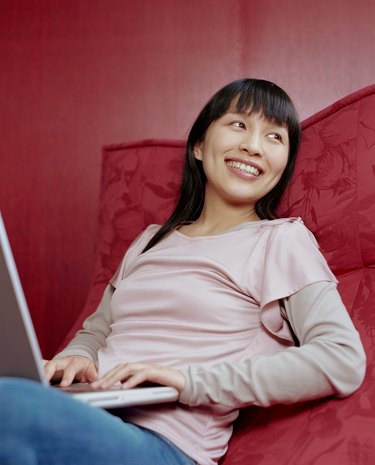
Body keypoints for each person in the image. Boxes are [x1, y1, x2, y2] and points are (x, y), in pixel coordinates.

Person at [0, 78, 366, 465]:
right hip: (87, 412)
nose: (253, 146)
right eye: (238, 124)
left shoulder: (280, 240)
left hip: (165, 444)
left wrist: (189, 382)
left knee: (11, 405)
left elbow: (340, 358)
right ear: (198, 145)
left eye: (274, 136)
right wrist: (75, 358)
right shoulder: (147, 241)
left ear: (283, 166)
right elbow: (95, 332)